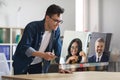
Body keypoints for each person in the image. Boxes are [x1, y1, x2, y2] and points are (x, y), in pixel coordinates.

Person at [12, 4, 64, 75]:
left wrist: (63, 67)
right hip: (22, 62)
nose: (58, 24)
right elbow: (25, 47)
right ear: (47, 18)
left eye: (60, 21)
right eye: (56, 21)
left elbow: (58, 51)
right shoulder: (32, 27)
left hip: (38, 64)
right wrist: (43, 55)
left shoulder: (56, 31)